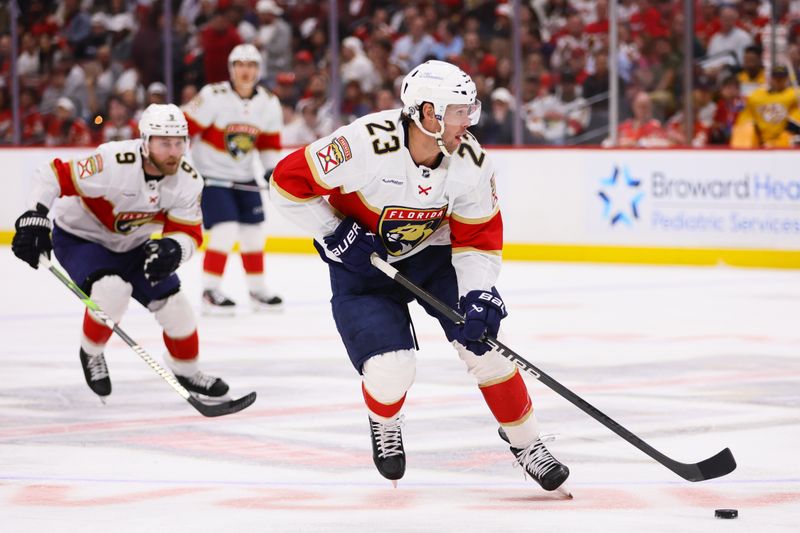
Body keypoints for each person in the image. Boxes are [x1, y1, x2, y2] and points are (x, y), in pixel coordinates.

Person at [269, 60, 570, 491]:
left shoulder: (470, 159)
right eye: (459, 111)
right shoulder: (364, 144)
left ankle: (527, 443)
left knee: (486, 347)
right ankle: (384, 419)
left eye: (470, 110)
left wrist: (479, 293)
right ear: (428, 113)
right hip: (364, 265)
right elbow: (285, 182)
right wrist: (332, 230)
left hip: (433, 256)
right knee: (392, 368)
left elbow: (478, 238)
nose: (469, 121)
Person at [11, 103, 231, 399]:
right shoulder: (113, 162)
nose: (174, 151)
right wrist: (34, 218)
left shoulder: (188, 181)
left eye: (179, 142)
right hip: (81, 238)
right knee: (112, 291)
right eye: (165, 143)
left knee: (178, 309)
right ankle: (91, 352)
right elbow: (51, 175)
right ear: (145, 142)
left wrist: (173, 249)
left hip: (133, 246)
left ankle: (187, 371)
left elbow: (189, 233)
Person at [182, 44, 284, 314]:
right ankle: (209, 291)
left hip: (244, 177)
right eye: (240, 65)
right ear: (231, 69)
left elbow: (268, 144)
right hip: (212, 177)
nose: (245, 71)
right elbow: (184, 127)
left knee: (253, 236)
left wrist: (271, 171)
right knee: (224, 231)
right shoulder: (213, 96)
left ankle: (258, 291)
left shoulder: (269, 102)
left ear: (258, 70)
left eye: (251, 65)